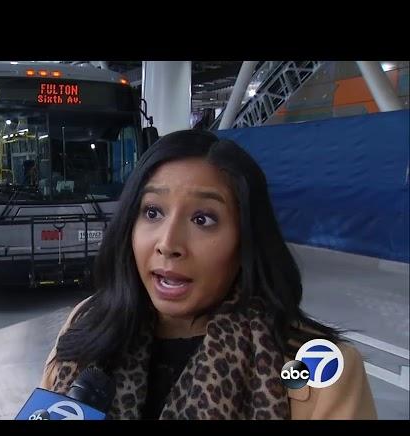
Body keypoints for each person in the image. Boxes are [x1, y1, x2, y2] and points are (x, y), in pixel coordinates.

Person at [40, 129, 377, 420]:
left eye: (203, 219)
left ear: (246, 238)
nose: (168, 244)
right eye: (153, 211)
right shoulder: (87, 323)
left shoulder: (323, 371)